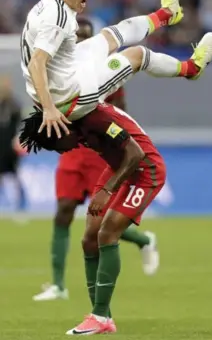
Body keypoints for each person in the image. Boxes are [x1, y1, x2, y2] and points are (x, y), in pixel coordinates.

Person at [20, 0, 212, 139]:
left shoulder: (49, 4)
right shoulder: (58, 18)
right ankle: (191, 68)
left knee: (111, 34)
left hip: (62, 76)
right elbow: (36, 63)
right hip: (70, 98)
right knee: (137, 54)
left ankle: (167, 14)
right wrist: (49, 109)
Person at [32, 19, 159, 302]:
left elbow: (120, 112)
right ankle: (58, 285)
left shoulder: (105, 69)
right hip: (73, 147)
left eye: (85, 36)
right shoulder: (58, 69)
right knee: (63, 209)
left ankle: (144, 240)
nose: (80, 40)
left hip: (98, 147)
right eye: (76, 36)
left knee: (100, 223)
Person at [0, 76, 27, 212]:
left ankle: (21, 203)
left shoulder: (14, 105)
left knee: (14, 175)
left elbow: (21, 125)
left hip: (10, 148)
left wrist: (19, 140)